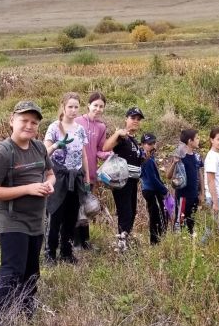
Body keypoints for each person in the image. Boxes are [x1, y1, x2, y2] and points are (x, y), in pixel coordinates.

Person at [0, 101, 55, 326]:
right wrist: (29, 189)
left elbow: (50, 173)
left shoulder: (39, 148)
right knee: (11, 273)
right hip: (12, 221)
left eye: (34, 122)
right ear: (12, 120)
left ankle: (26, 314)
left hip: (36, 220)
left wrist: (49, 184)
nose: (29, 125)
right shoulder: (2, 153)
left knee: (32, 272)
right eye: (24, 120)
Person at [44, 92, 89, 264]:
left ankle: (66, 252)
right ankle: (50, 254)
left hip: (76, 177)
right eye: (70, 106)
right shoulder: (54, 127)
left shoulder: (80, 129)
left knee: (71, 217)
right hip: (58, 177)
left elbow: (83, 155)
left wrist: (87, 179)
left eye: (76, 107)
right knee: (55, 215)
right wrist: (56, 145)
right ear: (63, 107)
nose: (73, 110)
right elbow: (44, 153)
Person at [74, 91, 111, 249]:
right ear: (88, 105)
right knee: (76, 206)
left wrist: (109, 155)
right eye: (95, 105)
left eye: (101, 106)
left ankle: (85, 242)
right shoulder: (77, 121)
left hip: (91, 174)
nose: (98, 109)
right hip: (75, 173)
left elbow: (99, 150)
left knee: (88, 207)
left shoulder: (101, 127)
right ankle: (75, 242)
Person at [103, 107, 145, 239]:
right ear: (125, 119)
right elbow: (106, 147)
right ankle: (122, 242)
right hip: (122, 181)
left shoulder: (134, 141)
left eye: (138, 119)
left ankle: (126, 238)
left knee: (132, 212)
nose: (135, 121)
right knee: (125, 212)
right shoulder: (122, 137)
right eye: (133, 118)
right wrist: (117, 134)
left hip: (133, 181)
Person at [166, 129, 204, 235]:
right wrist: (174, 163)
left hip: (194, 196)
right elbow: (168, 176)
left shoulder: (197, 157)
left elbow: (200, 175)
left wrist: (202, 194)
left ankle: (190, 244)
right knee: (180, 223)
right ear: (189, 141)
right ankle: (178, 246)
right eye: (197, 138)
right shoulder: (180, 157)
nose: (198, 140)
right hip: (182, 197)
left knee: (191, 222)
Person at [140, 133, 169, 244]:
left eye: (153, 143)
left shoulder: (150, 156)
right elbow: (152, 179)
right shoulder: (145, 158)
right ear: (143, 144)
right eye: (149, 144)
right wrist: (165, 190)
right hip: (150, 190)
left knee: (159, 214)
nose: (152, 145)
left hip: (152, 189)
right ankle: (155, 241)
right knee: (156, 216)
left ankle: (159, 240)